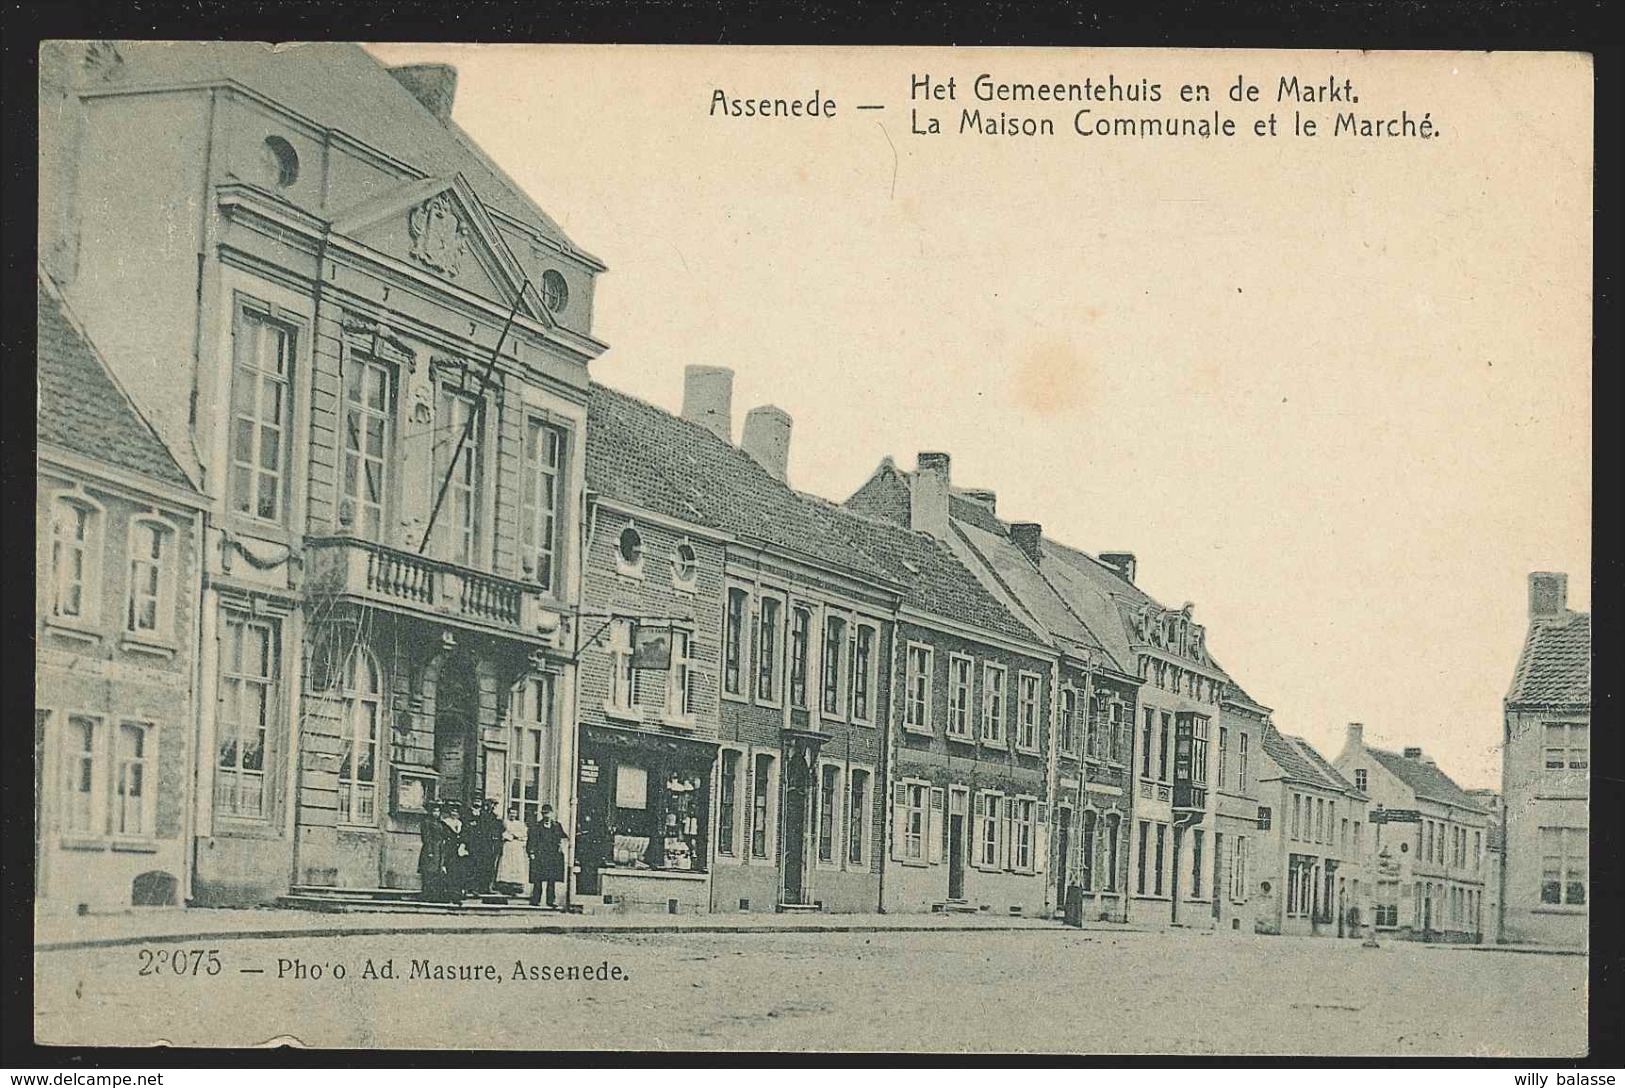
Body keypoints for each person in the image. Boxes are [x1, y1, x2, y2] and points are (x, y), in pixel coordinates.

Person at [527, 803, 568, 908]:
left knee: (551, 879)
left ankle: (551, 901)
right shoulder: (536, 826)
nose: (546, 816)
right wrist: (531, 853)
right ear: (541, 814)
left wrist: (561, 847)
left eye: (548, 813)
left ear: (552, 814)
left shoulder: (557, 826)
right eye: (544, 813)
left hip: (552, 856)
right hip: (540, 855)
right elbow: (531, 841)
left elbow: (564, 837)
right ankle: (536, 900)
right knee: (538, 879)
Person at [469, 798, 505, 896]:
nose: (492, 807)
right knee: (477, 866)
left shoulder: (494, 817)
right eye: (491, 804)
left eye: (494, 805)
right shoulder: (480, 816)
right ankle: (474, 888)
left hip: (490, 846)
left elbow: (500, 829)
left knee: (489, 867)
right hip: (479, 845)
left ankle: (486, 887)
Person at [496, 804, 530, 895]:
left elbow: (523, 835)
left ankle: (516, 885)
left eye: (514, 813)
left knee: (516, 863)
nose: (512, 815)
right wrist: (511, 836)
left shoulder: (520, 824)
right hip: (508, 845)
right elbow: (503, 834)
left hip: (517, 846)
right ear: (508, 814)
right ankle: (504, 884)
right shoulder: (505, 822)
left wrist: (516, 835)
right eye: (511, 813)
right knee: (507, 863)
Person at [417, 800, 447, 902]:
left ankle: (435, 895)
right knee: (428, 871)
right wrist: (429, 851)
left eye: (438, 811)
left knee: (437, 872)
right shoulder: (426, 822)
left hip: (439, 849)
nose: (436, 813)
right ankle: (427, 894)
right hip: (431, 849)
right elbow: (426, 837)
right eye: (434, 811)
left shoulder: (440, 823)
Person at [441, 801, 472, 901]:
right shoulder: (445, 822)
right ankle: (449, 892)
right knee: (449, 869)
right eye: (453, 811)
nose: (454, 814)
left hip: (459, 850)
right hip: (449, 849)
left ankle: (458, 892)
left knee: (459, 870)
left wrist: (463, 845)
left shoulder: (460, 823)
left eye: (456, 812)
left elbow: (464, 836)